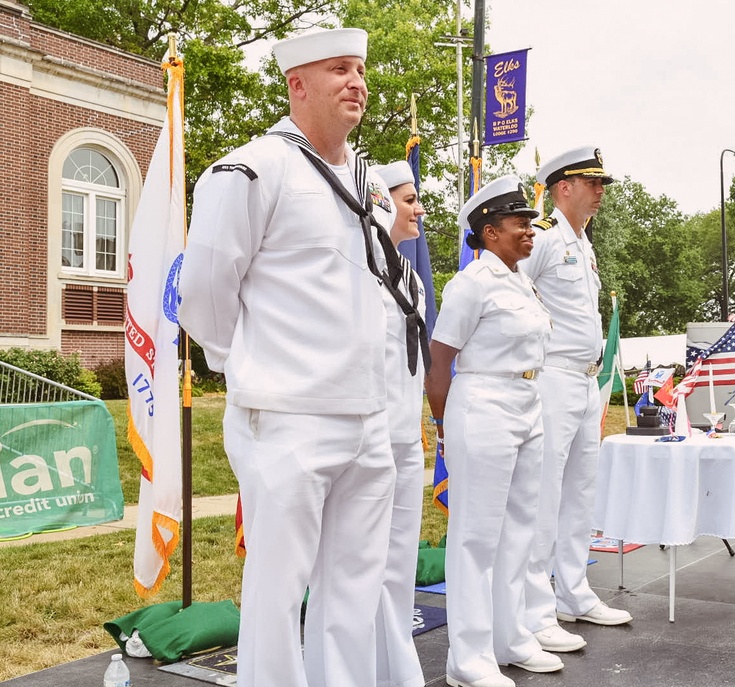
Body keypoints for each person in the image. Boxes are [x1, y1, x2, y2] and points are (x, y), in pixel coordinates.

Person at [178, 28, 412, 687]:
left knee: (352, 592)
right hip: (288, 416)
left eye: (361, 69)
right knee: (277, 597)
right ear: (297, 84)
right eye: (339, 68)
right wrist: (252, 364)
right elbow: (202, 293)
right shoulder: (251, 168)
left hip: (366, 414)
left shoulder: (366, 182)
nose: (357, 82)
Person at [425, 176, 559, 687]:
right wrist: (442, 427)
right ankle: (469, 657)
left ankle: (512, 637)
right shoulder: (471, 284)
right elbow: (440, 364)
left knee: (519, 528)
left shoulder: (520, 280)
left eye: (529, 221)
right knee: (476, 537)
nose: (529, 229)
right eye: (519, 222)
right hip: (482, 405)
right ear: (489, 231)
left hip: (527, 402)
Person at [519, 146, 632, 656]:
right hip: (552, 377)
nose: (601, 191)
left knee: (580, 491)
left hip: (587, 381)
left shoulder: (583, 245)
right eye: (594, 182)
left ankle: (573, 592)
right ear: (564, 187)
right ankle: (535, 610)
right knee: (543, 496)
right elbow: (512, 292)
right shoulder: (542, 239)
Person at [369, 160, 427, 687]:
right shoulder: (356, 265)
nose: (419, 209)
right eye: (409, 199)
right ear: (381, 202)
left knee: (401, 561)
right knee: (366, 565)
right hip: (370, 434)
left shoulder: (408, 274)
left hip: (408, 437)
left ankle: (395, 666)